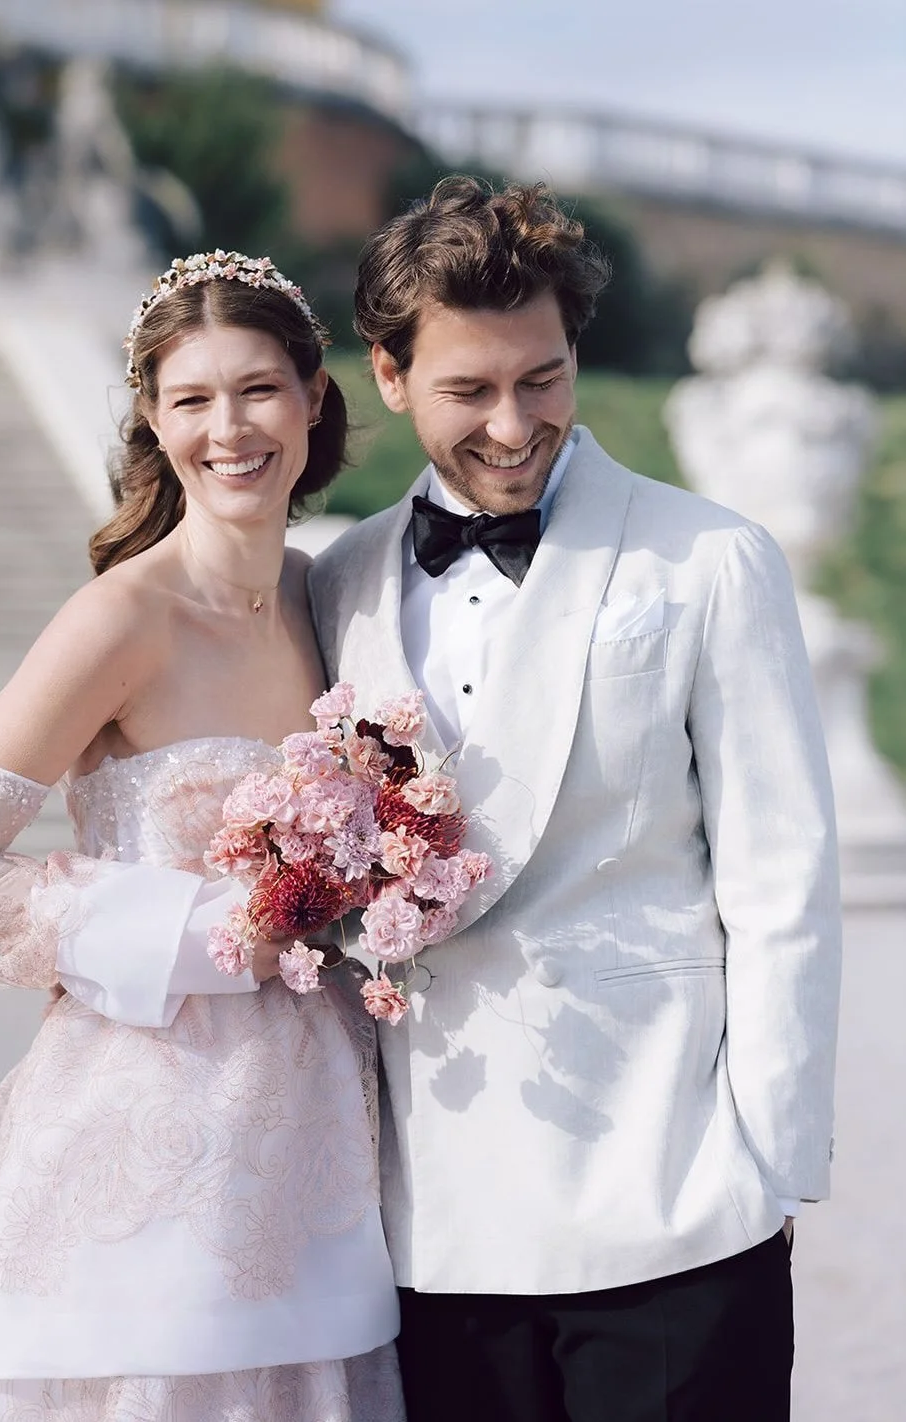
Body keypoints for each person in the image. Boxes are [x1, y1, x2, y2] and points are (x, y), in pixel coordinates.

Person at [308, 178, 842, 1422]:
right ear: (386, 375)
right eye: (468, 390)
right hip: (433, 1216)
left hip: (673, 1203)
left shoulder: (709, 557)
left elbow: (782, 881)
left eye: (540, 379)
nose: (511, 423)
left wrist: (767, 1169)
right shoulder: (336, 582)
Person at [0, 251, 404, 1422]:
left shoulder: (331, 605)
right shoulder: (121, 617)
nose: (229, 428)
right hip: (151, 1128)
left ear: (313, 399)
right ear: (153, 421)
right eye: (191, 399)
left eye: (258, 389)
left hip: (319, 1139)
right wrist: (221, 928)